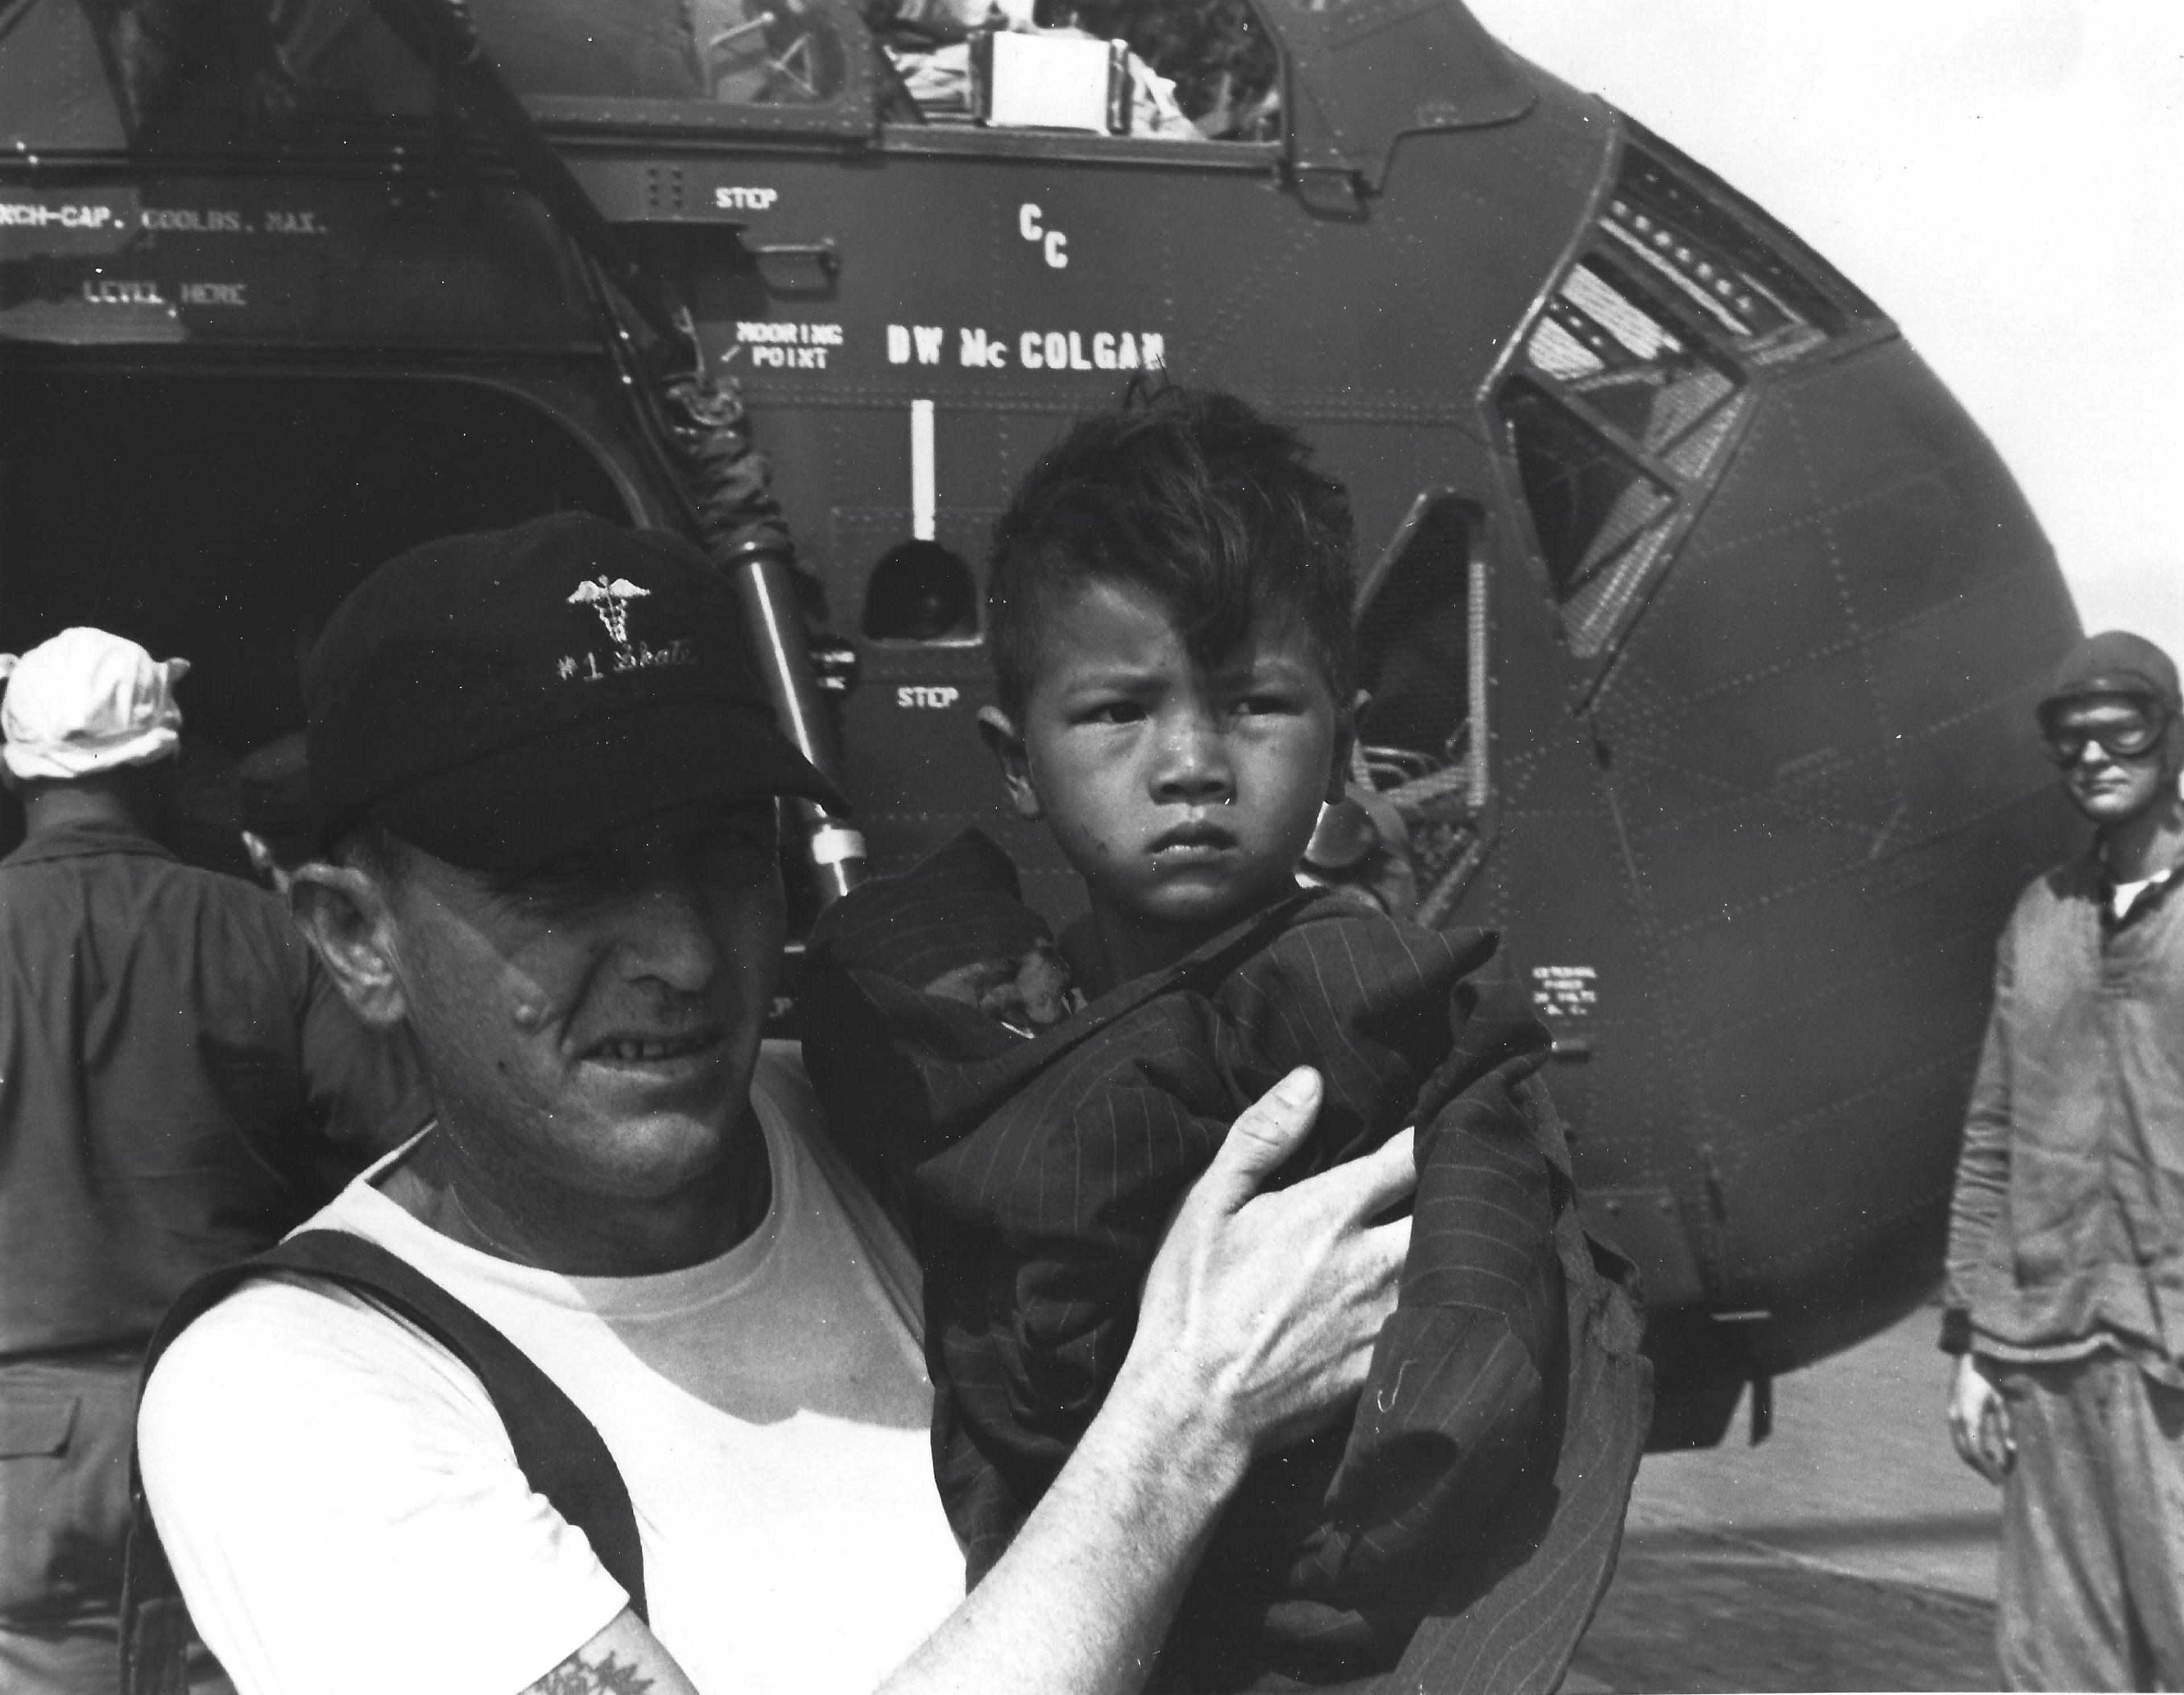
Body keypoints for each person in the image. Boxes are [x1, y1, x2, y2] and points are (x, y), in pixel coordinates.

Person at [135, 510, 1417, 1695]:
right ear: (357, 938)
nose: (685, 958)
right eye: (566, 880)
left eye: (724, 854)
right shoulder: (291, 1393)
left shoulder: (906, 1124)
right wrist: (1186, 1420)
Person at [800, 385, 1649, 1690]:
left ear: (1344, 740)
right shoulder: (935, 1028)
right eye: (1117, 712)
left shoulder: (1402, 1035)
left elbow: (1468, 1372)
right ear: (1013, 758)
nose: (1191, 760)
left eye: (1254, 704)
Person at [0, 628, 416, 1694]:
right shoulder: (269, 936)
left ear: (15, 769)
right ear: (165, 764)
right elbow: (409, 1155)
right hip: (228, 1428)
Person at [1944, 629, 2184, 1690]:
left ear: (2173, 739)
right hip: (2046, 1350)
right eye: (2070, 739)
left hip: (2172, 1355)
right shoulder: (2040, 916)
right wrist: (1972, 1342)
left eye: (2121, 729)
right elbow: (1993, 1133)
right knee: (2062, 1673)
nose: (2094, 755)